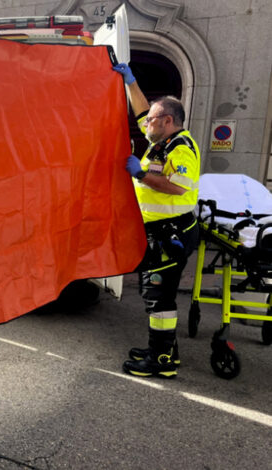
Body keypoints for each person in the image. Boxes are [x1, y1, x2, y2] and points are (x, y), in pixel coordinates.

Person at [113, 63, 201, 378]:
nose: (144, 123)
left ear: (167, 121)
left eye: (151, 120)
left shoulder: (182, 148)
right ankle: (163, 351)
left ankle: (161, 361)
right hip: (161, 232)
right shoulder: (160, 141)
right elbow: (140, 112)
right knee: (155, 293)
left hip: (171, 234)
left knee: (158, 296)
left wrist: (142, 174)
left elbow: (179, 186)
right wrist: (130, 82)